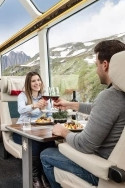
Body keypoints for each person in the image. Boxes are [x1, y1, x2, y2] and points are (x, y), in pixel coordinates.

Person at [40, 40, 125, 188]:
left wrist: (63, 131)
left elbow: (84, 145)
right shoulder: (121, 95)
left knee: (46, 154)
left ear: (105, 65)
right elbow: (101, 110)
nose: (96, 70)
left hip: (100, 169)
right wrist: (70, 104)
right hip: (118, 167)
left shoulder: (110, 96)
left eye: (96, 65)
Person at [14, 71, 55, 188]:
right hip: (22, 129)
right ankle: (35, 176)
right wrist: (34, 105)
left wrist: (50, 117)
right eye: (33, 81)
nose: (37, 83)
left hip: (39, 129)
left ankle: (44, 175)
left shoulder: (44, 97)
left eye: (38, 80)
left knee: (50, 143)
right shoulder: (22, 96)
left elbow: (49, 114)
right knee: (36, 143)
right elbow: (21, 110)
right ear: (29, 83)